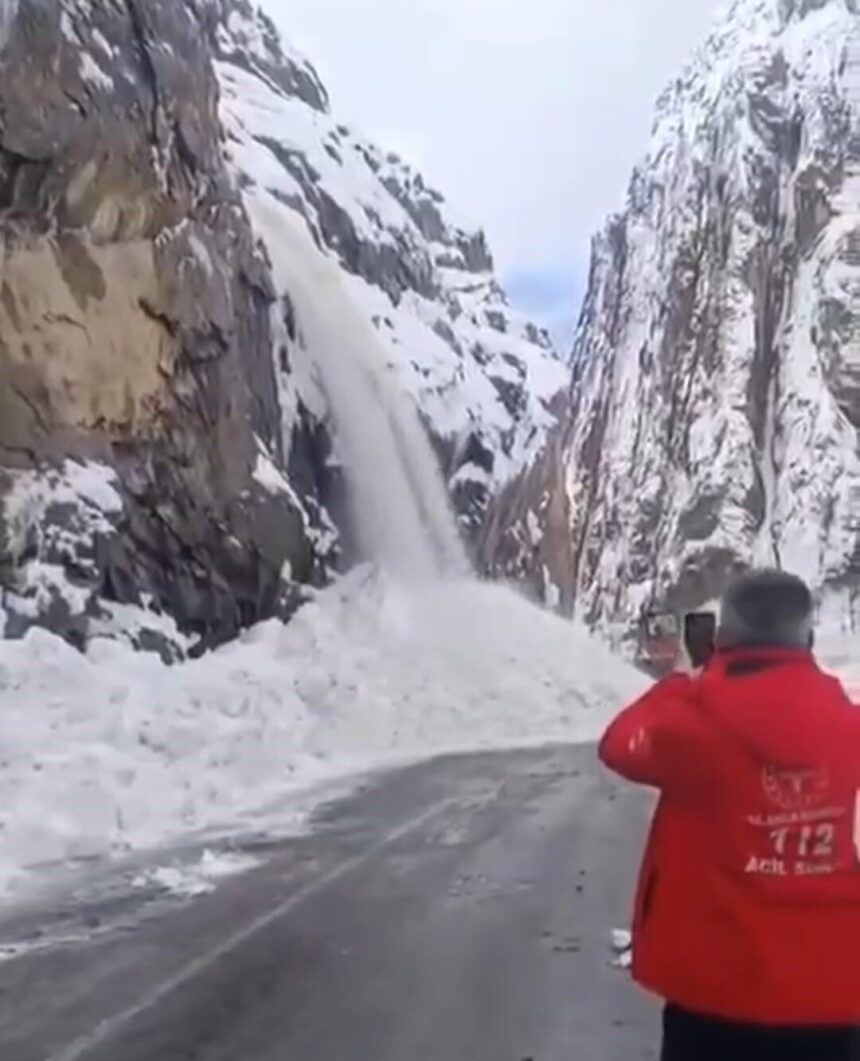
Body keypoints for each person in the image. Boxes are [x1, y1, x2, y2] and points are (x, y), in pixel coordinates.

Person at [599, 570, 860, 1061]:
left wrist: (683, 682)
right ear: (807, 637)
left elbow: (619, 745)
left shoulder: (694, 723)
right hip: (830, 994)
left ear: (721, 639)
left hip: (714, 994)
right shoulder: (850, 725)